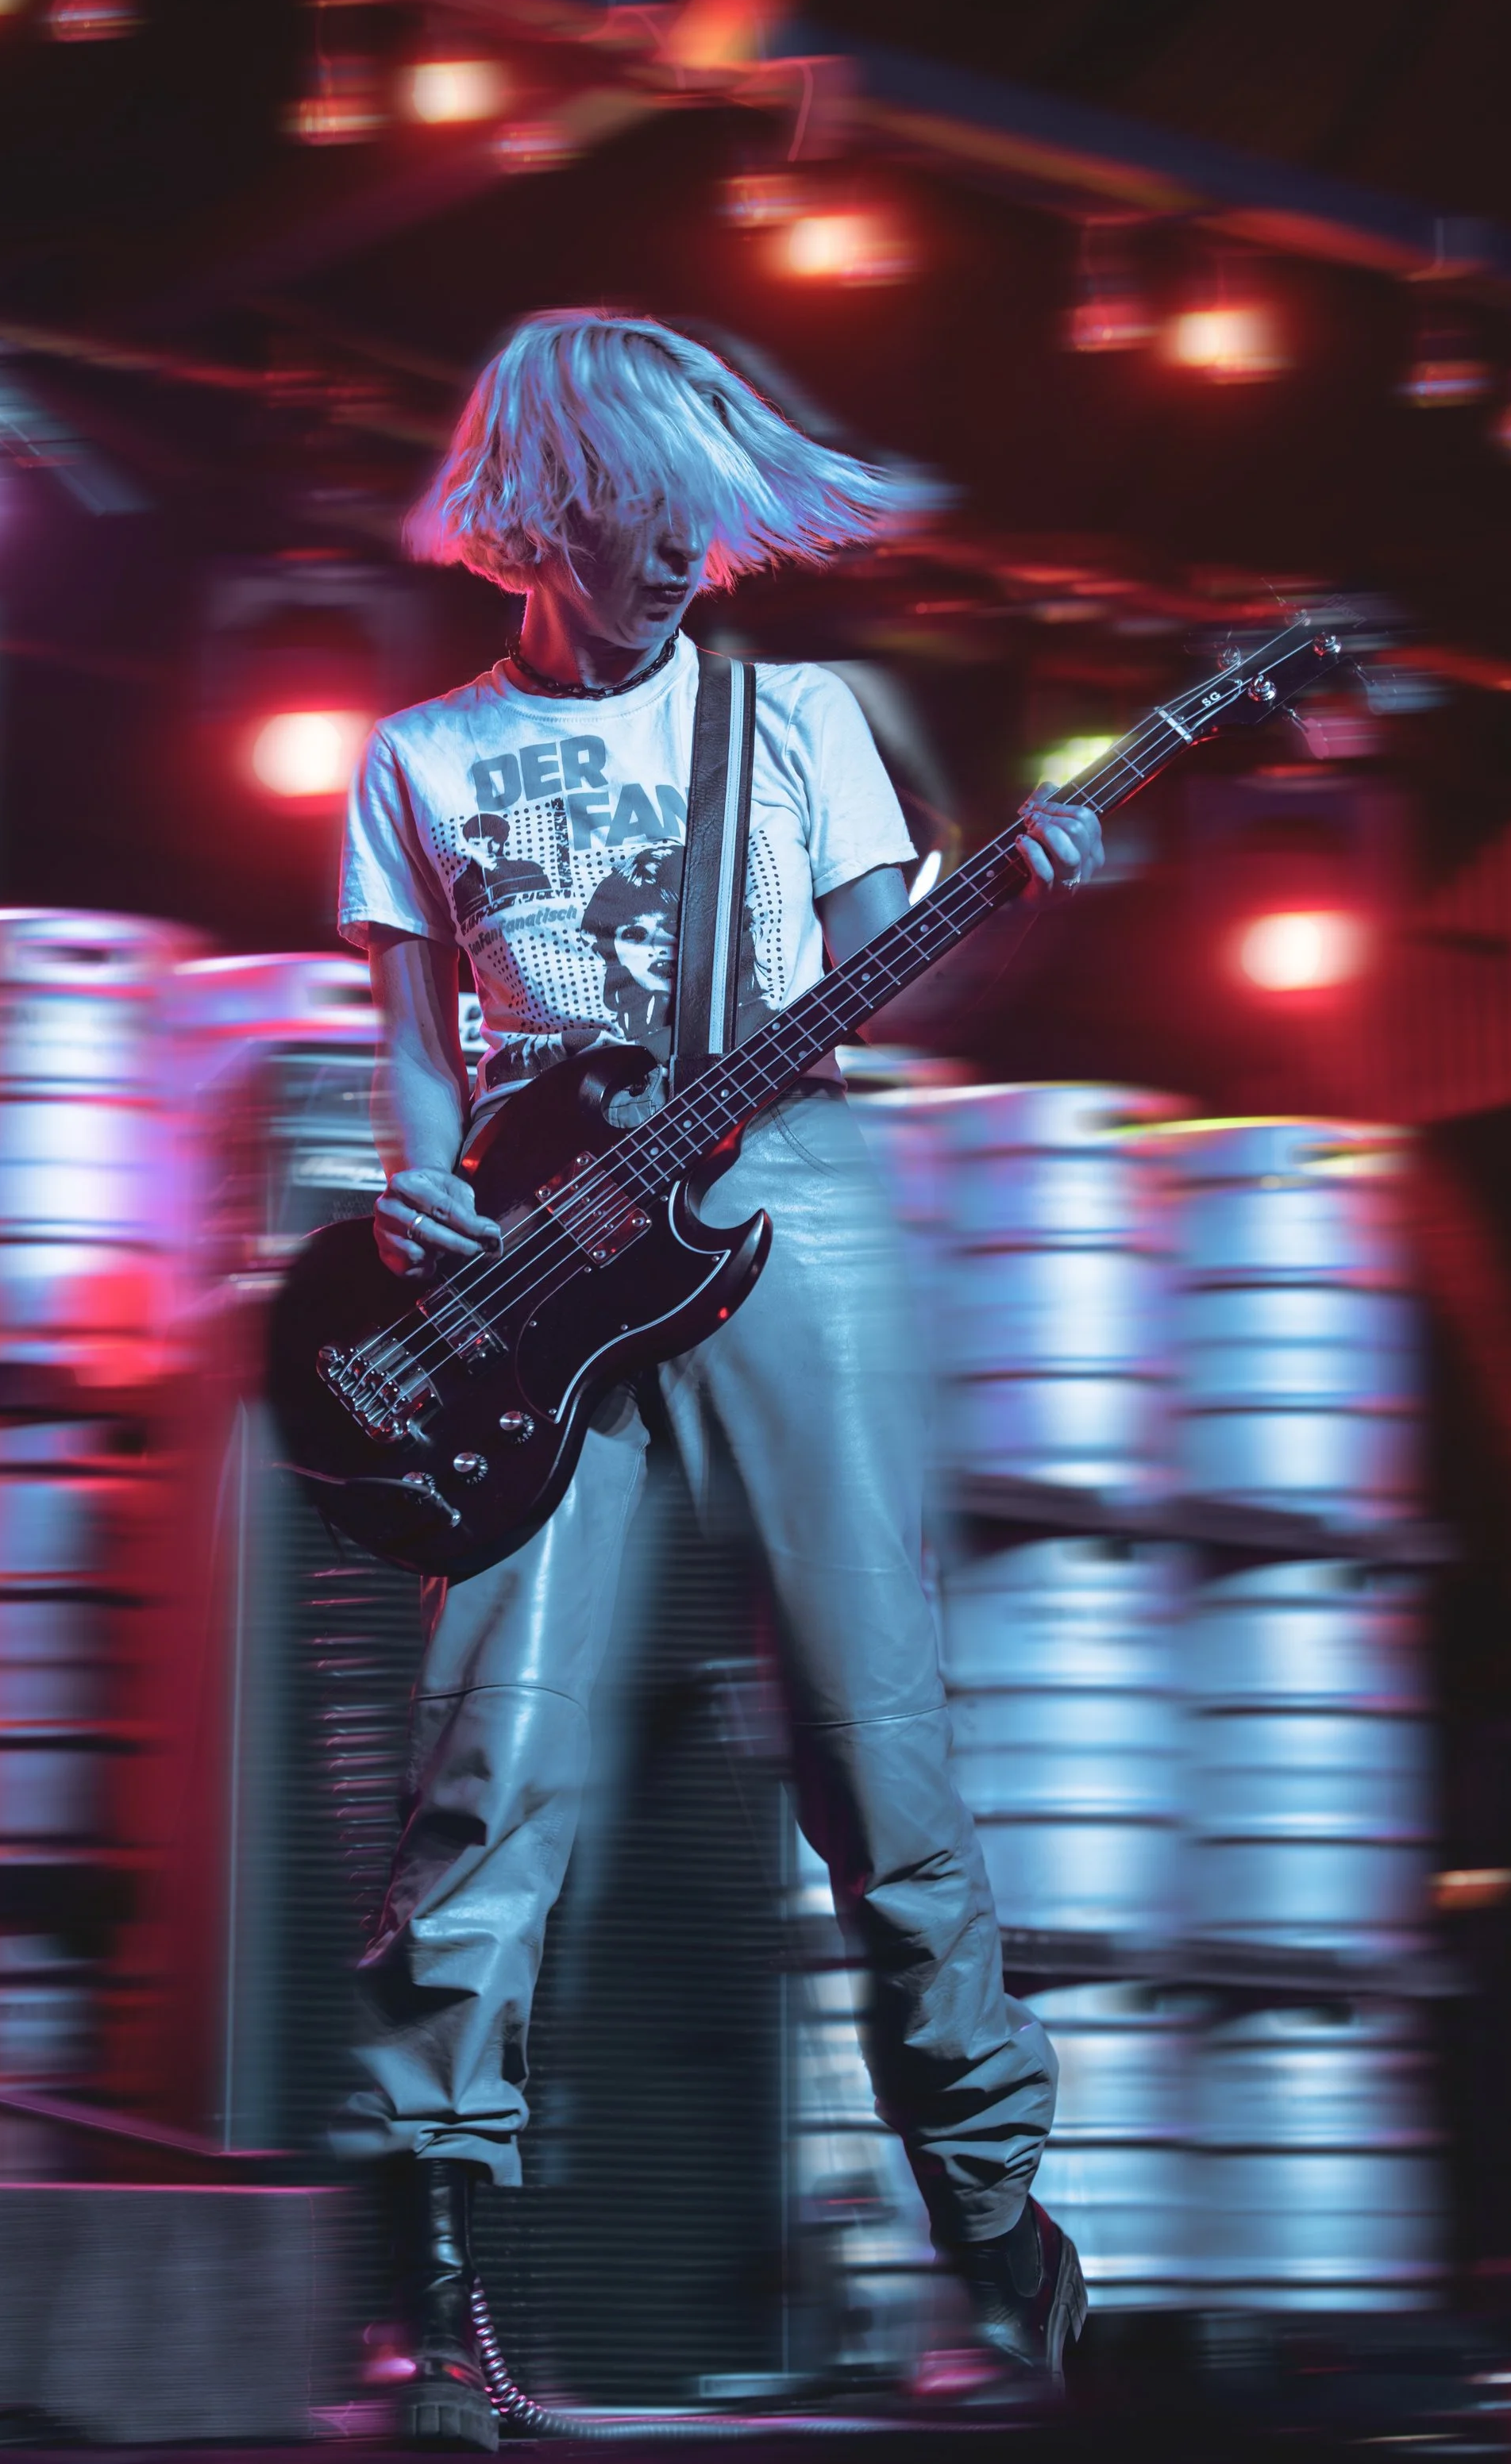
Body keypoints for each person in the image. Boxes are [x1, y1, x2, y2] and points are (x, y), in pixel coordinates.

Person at [333, 310, 1104, 2451]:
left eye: (696, 519)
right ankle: (439, 2297)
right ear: (536, 521)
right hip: (535, 1273)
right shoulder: (417, 757)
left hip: (794, 1211)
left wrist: (1018, 909)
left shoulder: (806, 719)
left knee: (876, 1746)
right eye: (629, 520)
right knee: (487, 1766)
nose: (675, 556)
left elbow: (899, 996)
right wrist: (412, 1201)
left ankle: (999, 2233)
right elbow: (416, 1071)